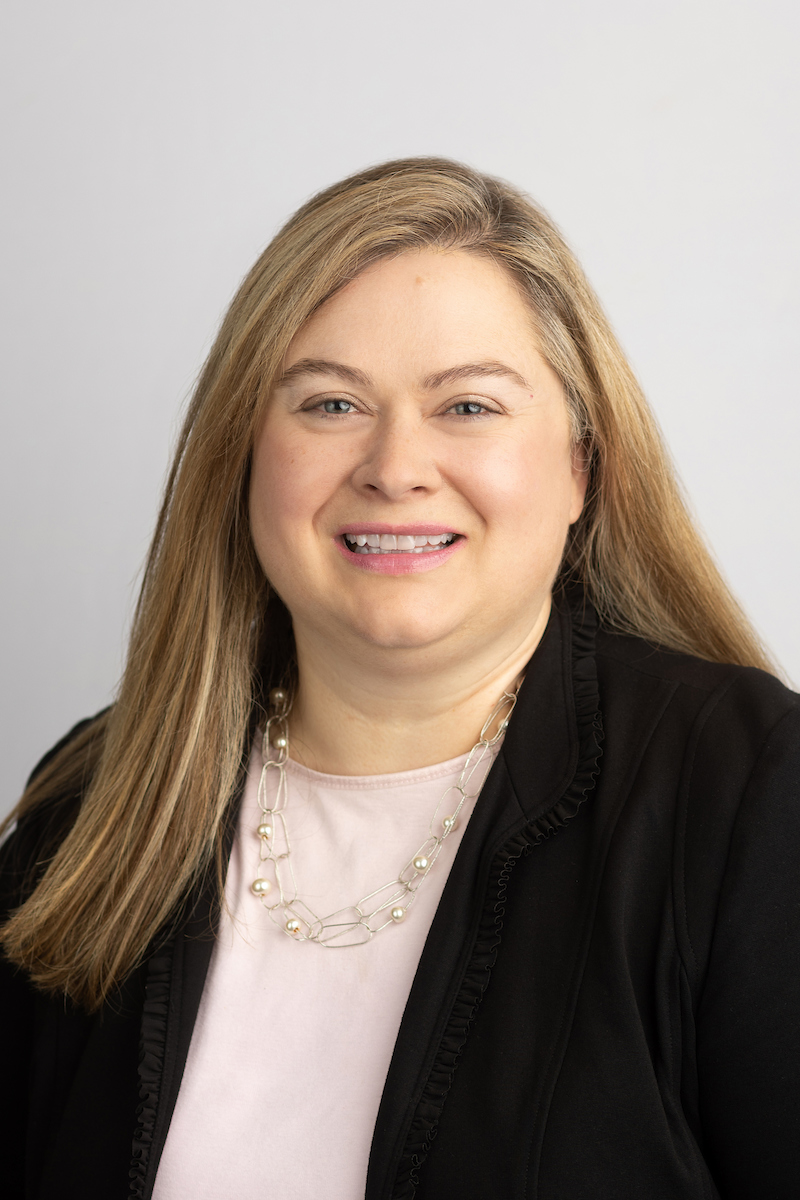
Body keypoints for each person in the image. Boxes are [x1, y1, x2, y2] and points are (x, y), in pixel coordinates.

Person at [1, 157, 798, 1200]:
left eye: (467, 407)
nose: (392, 465)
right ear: (243, 460)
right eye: (329, 404)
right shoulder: (98, 800)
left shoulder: (743, 791)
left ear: (580, 468)